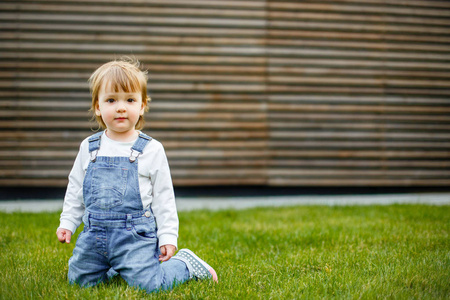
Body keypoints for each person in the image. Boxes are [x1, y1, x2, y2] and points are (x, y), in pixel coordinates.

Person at [56, 57, 218, 293]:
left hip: (135, 237)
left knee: (150, 286)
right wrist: (68, 222)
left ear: (142, 106)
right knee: (78, 283)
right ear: (98, 107)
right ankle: (114, 265)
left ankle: (184, 264)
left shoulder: (151, 149)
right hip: (93, 236)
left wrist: (168, 238)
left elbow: (164, 198)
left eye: (130, 100)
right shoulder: (89, 147)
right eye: (111, 100)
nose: (121, 107)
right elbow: (76, 188)